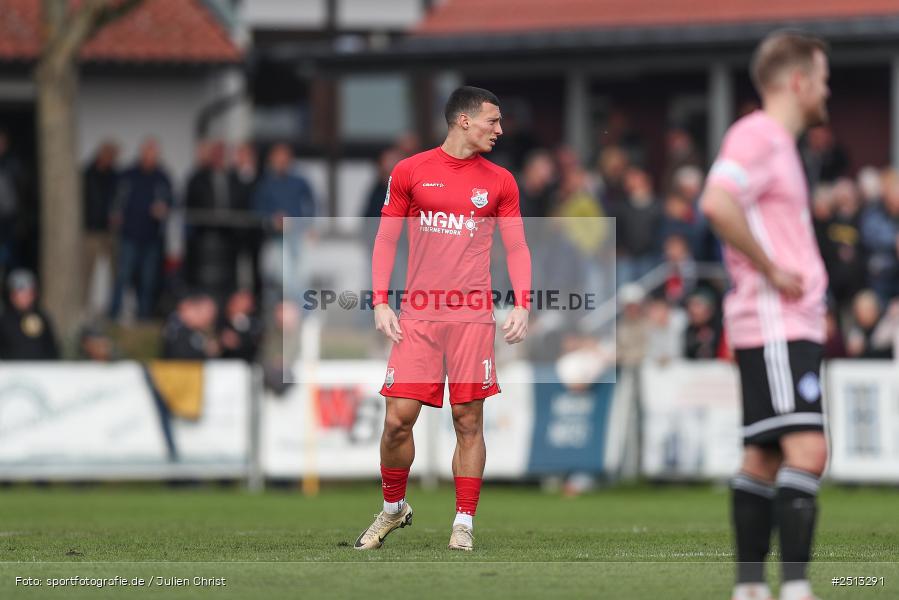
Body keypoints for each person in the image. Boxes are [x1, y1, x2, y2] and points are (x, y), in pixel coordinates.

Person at [354, 86, 531, 552]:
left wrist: (522, 303)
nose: (500, 129)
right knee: (397, 420)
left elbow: (516, 245)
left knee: (467, 420)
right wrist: (380, 301)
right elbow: (386, 238)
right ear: (464, 121)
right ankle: (393, 508)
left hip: (472, 318)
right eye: (493, 120)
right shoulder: (410, 171)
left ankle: (463, 522)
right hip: (418, 316)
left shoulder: (501, 181)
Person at [700, 31, 831, 600]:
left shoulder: (779, 144)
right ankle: (795, 589)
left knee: (764, 454)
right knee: (808, 450)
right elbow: (716, 201)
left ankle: (752, 589)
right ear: (798, 82)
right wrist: (772, 269)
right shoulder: (759, 135)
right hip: (777, 320)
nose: (827, 90)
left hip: (786, 322)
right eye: (823, 79)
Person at [109, 138, 173, 320]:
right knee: (123, 276)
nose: (150, 157)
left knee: (148, 279)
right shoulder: (128, 175)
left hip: (152, 237)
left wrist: (164, 209)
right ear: (141, 153)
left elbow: (171, 201)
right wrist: (115, 215)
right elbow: (116, 200)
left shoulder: (162, 177)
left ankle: (144, 314)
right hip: (129, 235)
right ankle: (114, 313)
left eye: (154, 153)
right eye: (147, 152)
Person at [82, 140, 120, 314]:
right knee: (86, 271)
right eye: (107, 154)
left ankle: (114, 308)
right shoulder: (86, 175)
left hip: (111, 231)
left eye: (112, 155)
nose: (110, 158)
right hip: (90, 230)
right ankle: (84, 306)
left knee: (116, 271)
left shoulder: (116, 176)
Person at [0, 269, 60, 360]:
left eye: (28, 293)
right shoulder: (4, 321)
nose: (25, 297)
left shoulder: (42, 318)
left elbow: (52, 349)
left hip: (41, 367)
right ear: (12, 295)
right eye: (21, 293)